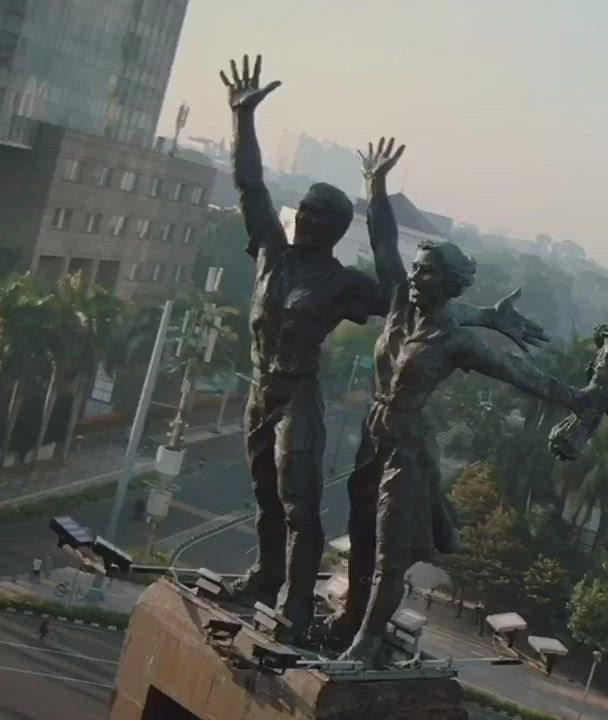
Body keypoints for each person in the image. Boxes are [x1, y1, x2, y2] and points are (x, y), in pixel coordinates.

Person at [220, 56, 546, 641]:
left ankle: (296, 607)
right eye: (305, 210)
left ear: (335, 228)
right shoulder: (271, 251)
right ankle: (266, 578)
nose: (306, 219)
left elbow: (412, 304)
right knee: (265, 496)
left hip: (297, 398)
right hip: (258, 390)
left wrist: (484, 317)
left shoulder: (343, 282)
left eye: (320, 216)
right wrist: (243, 118)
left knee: (298, 507)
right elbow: (250, 184)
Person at [330, 144, 592, 665]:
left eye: (427, 272)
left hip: (407, 452)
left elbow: (523, 375)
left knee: (390, 554)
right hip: (373, 440)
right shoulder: (401, 305)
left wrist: (581, 401)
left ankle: (366, 644)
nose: (416, 277)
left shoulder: (456, 340)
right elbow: (383, 241)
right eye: (417, 269)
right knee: (360, 534)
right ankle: (353, 620)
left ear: (448, 285)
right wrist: (376, 185)